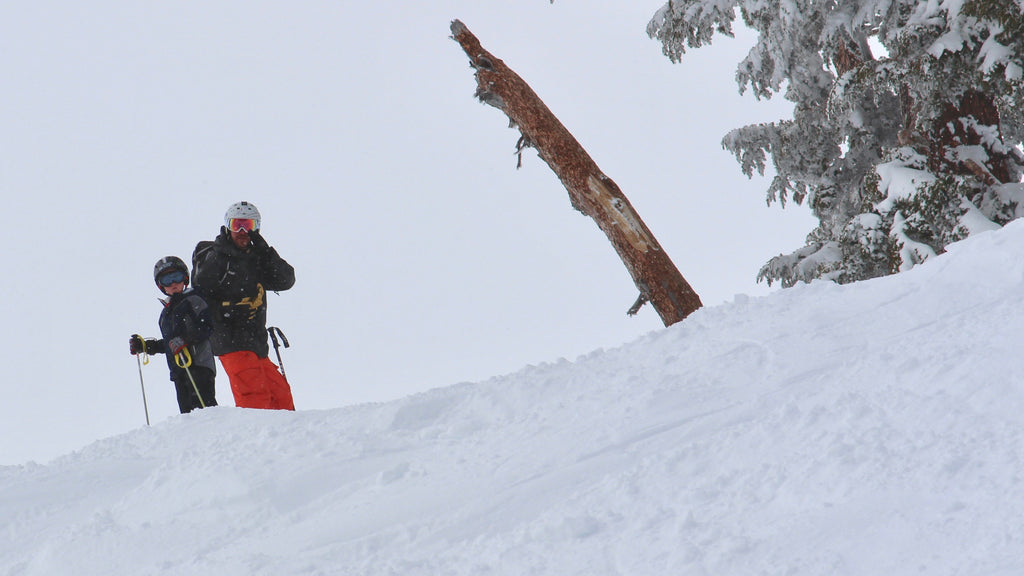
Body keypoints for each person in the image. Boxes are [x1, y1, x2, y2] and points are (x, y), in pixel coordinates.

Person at [192, 201, 296, 410]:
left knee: (280, 396)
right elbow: (201, 284)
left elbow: (285, 280)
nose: (242, 231)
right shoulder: (217, 257)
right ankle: (260, 438)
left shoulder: (257, 257)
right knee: (254, 395)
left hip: (256, 342)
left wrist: (265, 251)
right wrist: (224, 254)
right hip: (230, 340)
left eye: (248, 225)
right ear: (227, 226)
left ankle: (290, 439)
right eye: (236, 224)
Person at [130, 256, 218, 413]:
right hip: (179, 370)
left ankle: (221, 433)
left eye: (176, 277)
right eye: (166, 280)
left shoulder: (194, 299)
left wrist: (185, 339)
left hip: (198, 364)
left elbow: (207, 327)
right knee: (188, 414)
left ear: (185, 279)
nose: (173, 284)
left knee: (205, 409)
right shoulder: (165, 314)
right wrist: (148, 346)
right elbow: (171, 343)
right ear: (161, 286)